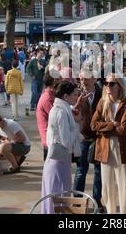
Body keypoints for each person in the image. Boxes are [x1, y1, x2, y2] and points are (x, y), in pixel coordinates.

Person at [91, 74, 126, 214]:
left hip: (122, 147)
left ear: (119, 86)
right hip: (104, 148)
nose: (108, 86)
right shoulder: (102, 102)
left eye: (112, 83)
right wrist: (112, 125)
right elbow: (93, 125)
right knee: (107, 187)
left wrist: (104, 128)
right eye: (106, 83)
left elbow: (123, 129)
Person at [41, 81, 82, 214]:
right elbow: (66, 141)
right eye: (74, 94)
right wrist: (76, 125)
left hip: (57, 160)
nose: (76, 97)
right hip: (59, 161)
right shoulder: (61, 112)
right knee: (59, 196)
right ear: (65, 96)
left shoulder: (61, 108)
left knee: (56, 195)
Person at [73, 70, 103, 209]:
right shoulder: (76, 94)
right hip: (83, 138)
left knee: (99, 172)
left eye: (87, 78)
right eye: (81, 78)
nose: (83, 81)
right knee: (80, 171)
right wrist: (78, 104)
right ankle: (77, 203)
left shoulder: (103, 93)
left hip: (99, 138)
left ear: (95, 78)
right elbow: (72, 114)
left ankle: (97, 202)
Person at [36, 71, 59, 161]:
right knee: (50, 166)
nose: (60, 81)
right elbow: (57, 117)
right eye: (58, 79)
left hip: (50, 137)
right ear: (53, 82)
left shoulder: (50, 95)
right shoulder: (48, 98)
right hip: (49, 138)